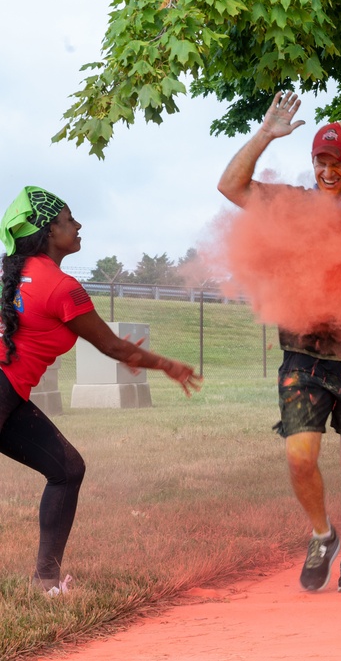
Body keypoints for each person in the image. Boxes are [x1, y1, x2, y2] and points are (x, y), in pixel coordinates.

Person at [217, 92, 341, 593]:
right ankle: (322, 535)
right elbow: (231, 186)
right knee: (299, 456)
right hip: (303, 357)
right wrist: (265, 134)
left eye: (337, 159)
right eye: (320, 161)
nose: (327, 170)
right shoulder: (293, 204)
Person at [1, 187, 202, 596]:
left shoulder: (15, 276)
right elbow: (110, 345)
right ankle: (45, 581)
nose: (78, 226)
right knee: (67, 470)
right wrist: (168, 365)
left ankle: (45, 582)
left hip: (9, 398)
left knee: (67, 469)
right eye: (69, 220)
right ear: (47, 231)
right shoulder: (61, 286)